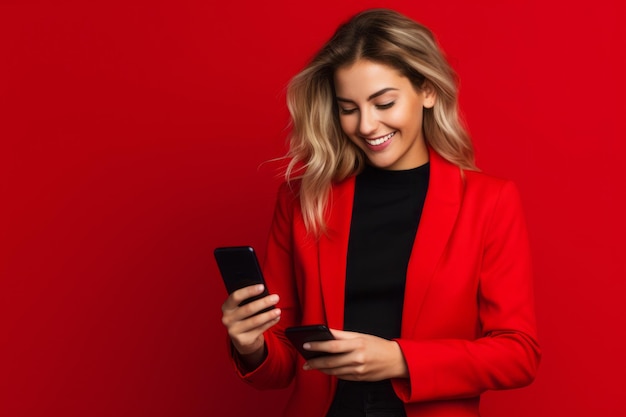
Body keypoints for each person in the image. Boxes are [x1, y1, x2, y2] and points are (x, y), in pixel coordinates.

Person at [220, 8, 541, 417]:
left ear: (426, 91)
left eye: (383, 102)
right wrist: (251, 345)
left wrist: (398, 360)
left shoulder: (489, 202)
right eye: (348, 108)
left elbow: (518, 354)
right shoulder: (302, 200)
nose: (367, 125)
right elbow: (284, 365)